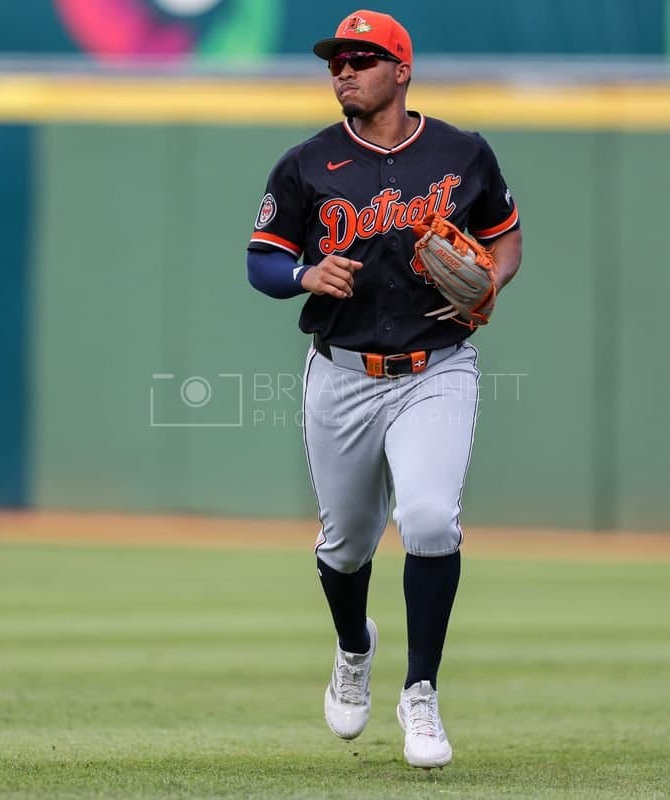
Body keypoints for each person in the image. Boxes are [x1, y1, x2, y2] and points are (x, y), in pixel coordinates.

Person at [246, 8, 522, 769]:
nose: (344, 71)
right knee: (346, 545)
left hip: (438, 367)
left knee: (430, 519)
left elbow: (504, 237)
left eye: (361, 59)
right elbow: (261, 260)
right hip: (341, 372)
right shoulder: (306, 164)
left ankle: (422, 692)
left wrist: (488, 282)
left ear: (401, 70)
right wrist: (304, 272)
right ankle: (352, 646)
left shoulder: (463, 153)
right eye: (336, 60)